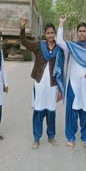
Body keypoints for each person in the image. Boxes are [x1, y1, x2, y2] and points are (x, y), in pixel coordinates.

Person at [56, 15, 86, 150]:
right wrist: (61, 23)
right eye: (80, 31)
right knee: (71, 112)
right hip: (74, 85)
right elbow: (59, 41)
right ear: (77, 33)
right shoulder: (72, 46)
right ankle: (70, 137)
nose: (82, 33)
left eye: (84, 31)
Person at [20, 18, 63, 149]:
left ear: (54, 33)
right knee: (38, 111)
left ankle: (51, 136)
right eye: (48, 33)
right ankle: (36, 138)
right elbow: (25, 42)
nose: (50, 35)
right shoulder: (39, 45)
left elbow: (61, 67)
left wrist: (60, 89)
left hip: (52, 85)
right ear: (45, 33)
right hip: (39, 84)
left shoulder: (59, 49)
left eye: (52, 33)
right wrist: (22, 28)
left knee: (51, 111)